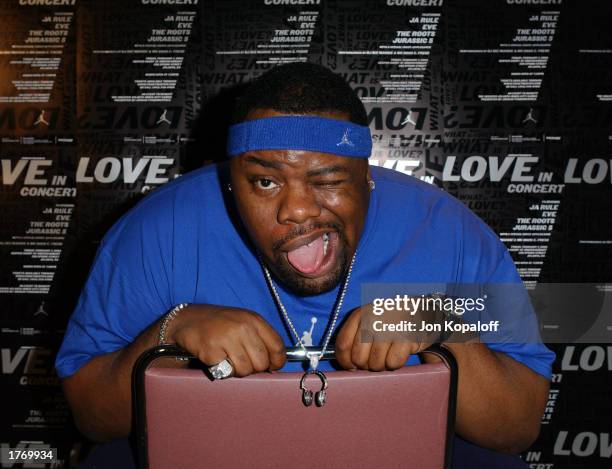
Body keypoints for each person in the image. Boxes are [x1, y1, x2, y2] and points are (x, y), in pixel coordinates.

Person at [56, 63, 554, 454]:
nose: (295, 210)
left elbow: (516, 429)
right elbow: (93, 419)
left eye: (329, 180)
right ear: (231, 180)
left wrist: (440, 325)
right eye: (265, 181)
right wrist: (170, 332)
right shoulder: (155, 233)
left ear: (368, 178)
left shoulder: (448, 232)